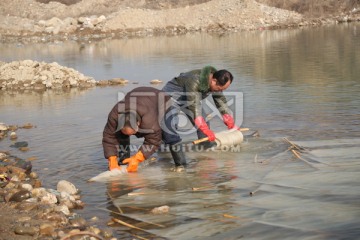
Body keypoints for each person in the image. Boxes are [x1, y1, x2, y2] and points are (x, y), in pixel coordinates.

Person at [161, 65, 235, 167]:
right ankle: (163, 151)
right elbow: (193, 105)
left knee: (205, 121)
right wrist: (204, 128)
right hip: (171, 96)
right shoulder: (194, 81)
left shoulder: (216, 81)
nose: (220, 90)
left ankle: (205, 149)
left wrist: (226, 115)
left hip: (190, 98)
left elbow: (219, 98)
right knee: (172, 125)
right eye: (220, 88)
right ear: (214, 80)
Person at [102, 87, 170, 172]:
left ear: (138, 124)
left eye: (132, 133)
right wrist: (112, 158)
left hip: (162, 100)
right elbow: (109, 137)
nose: (130, 136)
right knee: (120, 135)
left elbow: (153, 141)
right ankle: (123, 162)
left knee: (168, 135)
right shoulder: (114, 116)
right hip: (137, 97)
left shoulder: (149, 120)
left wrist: (137, 159)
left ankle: (179, 162)